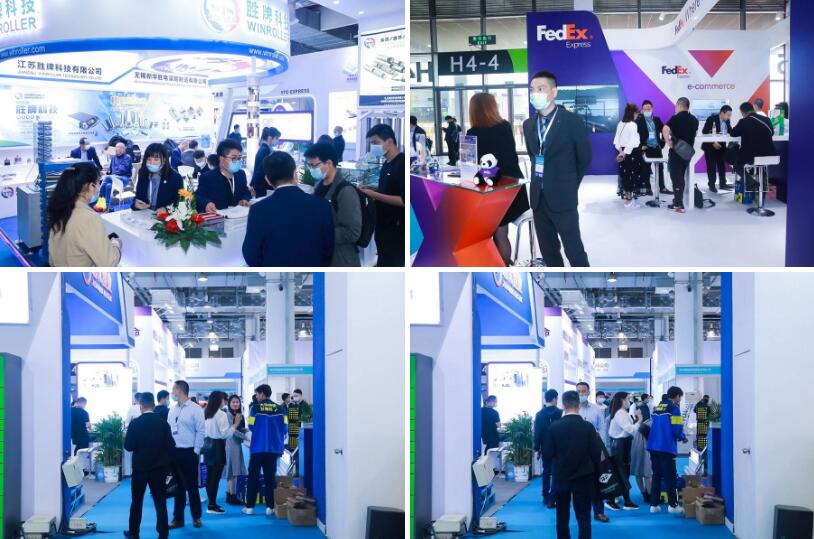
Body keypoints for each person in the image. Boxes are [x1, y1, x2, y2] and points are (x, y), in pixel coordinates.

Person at [522, 70, 592, 268]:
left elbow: (584, 158)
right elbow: (533, 156)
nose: (535, 93)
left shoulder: (572, 121)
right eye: (532, 89)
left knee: (574, 249)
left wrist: (569, 184)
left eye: (540, 89)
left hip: (563, 197)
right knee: (548, 250)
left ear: (554, 92)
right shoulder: (528, 125)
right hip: (538, 198)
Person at [466, 92, 530, 266]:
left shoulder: (473, 133)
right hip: (513, 188)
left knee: (489, 232)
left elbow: (470, 162)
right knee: (501, 234)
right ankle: (503, 265)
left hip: (491, 190)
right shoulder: (505, 126)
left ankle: (499, 266)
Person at [242, 151, 334, 266]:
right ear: (295, 174)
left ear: (268, 180)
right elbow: (329, 247)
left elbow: (251, 254)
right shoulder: (322, 205)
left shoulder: (258, 210)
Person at [544, 390, 602, 539]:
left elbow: (548, 453)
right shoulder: (588, 427)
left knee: (562, 515)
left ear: (563, 405)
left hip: (561, 476)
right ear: (578, 405)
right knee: (583, 515)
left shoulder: (554, 427)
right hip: (584, 476)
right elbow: (596, 453)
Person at [48, 162, 122, 267]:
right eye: (99, 183)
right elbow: (108, 262)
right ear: (91, 186)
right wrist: (116, 244)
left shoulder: (60, 209)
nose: (99, 188)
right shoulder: (89, 218)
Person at [124, 392, 176, 539]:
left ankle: (134, 533)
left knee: (137, 501)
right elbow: (171, 445)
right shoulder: (163, 423)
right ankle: (163, 533)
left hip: (140, 468)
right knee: (160, 501)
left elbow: (128, 446)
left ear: (140, 406)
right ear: (153, 406)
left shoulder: (135, 423)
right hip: (159, 469)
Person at [306, 142, 362, 267]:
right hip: (322, 254)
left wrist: (320, 233)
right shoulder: (319, 186)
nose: (311, 169)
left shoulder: (346, 191)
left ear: (329, 163)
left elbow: (352, 232)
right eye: (309, 165)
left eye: (314, 165)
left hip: (340, 259)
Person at [359, 124, 405, 267]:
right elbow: (388, 189)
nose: (373, 147)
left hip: (396, 229)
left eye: (375, 142)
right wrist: (372, 189)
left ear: (389, 141)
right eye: (371, 143)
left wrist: (374, 194)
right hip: (382, 226)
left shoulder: (402, 164)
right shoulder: (386, 163)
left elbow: (403, 200)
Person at [242, 384, 287, 516]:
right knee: (270, 478)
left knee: (253, 477)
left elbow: (251, 425)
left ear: (262, 393)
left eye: (257, 394)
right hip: (273, 449)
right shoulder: (281, 409)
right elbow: (285, 428)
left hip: (258, 448)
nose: (256, 396)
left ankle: (250, 507)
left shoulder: (255, 408)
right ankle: (270, 507)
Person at [167, 380, 206, 529]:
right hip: (174, 452)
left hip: (189, 452)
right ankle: (178, 519)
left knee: (192, 487)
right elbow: (169, 429)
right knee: (178, 487)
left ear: (180, 390)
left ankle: (196, 517)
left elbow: (201, 431)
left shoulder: (195, 409)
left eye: (173, 389)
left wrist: (196, 451)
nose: (172, 393)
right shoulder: (172, 410)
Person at [647, 386, 687, 513]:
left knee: (656, 475)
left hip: (653, 446)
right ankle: (673, 505)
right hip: (666, 447)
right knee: (670, 477)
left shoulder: (657, 408)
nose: (680, 400)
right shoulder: (674, 408)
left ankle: (654, 505)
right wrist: (683, 437)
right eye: (680, 397)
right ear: (677, 396)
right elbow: (676, 428)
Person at [203, 391, 242, 514]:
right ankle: (212, 505)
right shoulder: (221, 414)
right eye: (224, 399)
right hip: (217, 447)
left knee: (210, 477)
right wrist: (235, 425)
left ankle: (211, 503)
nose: (225, 401)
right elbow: (225, 434)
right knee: (215, 478)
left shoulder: (207, 412)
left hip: (207, 446)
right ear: (219, 400)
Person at [575, 382, 609, 523]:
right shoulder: (571, 409)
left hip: (593, 452)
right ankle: (581, 513)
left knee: (596, 482)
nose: (581, 394)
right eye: (579, 391)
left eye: (584, 391)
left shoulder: (595, 410)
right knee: (578, 484)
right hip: (576, 453)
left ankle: (599, 512)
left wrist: (601, 448)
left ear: (589, 392)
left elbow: (602, 429)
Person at [662, 97, 699, 213]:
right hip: (687, 153)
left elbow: (665, 128)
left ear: (679, 105)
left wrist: (667, 141)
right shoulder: (694, 119)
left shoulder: (676, 118)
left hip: (676, 152)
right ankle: (678, 200)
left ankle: (678, 204)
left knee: (676, 177)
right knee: (681, 177)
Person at [606, 392, 640, 510]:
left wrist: (635, 421)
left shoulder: (621, 412)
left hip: (622, 445)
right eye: (627, 398)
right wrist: (639, 421)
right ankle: (612, 500)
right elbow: (630, 429)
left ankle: (626, 501)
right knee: (620, 474)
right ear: (622, 400)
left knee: (623, 474)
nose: (628, 401)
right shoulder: (620, 413)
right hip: (619, 446)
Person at [195, 138, 251, 212]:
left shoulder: (241, 174)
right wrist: (206, 203)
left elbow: (245, 191)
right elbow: (198, 197)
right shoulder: (207, 177)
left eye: (239, 158)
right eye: (234, 158)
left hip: (239, 216)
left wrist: (244, 199)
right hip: (219, 216)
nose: (237, 161)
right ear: (221, 159)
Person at [731, 102, 776, 188]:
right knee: (762, 165)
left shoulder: (743, 121)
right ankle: (763, 185)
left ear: (743, 112)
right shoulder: (766, 119)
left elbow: (733, 133)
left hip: (751, 156)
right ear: (752, 109)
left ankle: (751, 182)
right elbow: (772, 133)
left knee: (736, 165)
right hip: (770, 154)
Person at [132, 143, 183, 213]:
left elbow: (180, 202)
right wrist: (135, 204)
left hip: (164, 217)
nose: (152, 163)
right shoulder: (143, 173)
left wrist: (167, 209)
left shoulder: (175, 177)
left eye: (156, 160)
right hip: (144, 213)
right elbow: (138, 197)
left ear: (164, 160)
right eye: (149, 159)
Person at [534, 389, 562, 508]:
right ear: (555, 398)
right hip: (559, 447)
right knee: (556, 473)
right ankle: (553, 498)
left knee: (546, 472)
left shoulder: (539, 414)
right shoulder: (560, 413)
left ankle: (545, 496)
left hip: (545, 447)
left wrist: (537, 448)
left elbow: (537, 433)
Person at [636, 100, 670, 195]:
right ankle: (648, 188)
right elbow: (634, 136)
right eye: (645, 109)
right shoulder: (638, 122)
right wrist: (640, 146)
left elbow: (664, 130)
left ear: (652, 109)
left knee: (660, 168)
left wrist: (663, 142)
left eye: (649, 109)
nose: (647, 111)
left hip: (656, 148)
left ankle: (662, 188)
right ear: (642, 110)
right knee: (645, 170)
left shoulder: (657, 120)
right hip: (646, 149)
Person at [614, 104, 644, 207]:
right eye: (636, 113)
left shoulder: (620, 123)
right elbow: (632, 141)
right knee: (632, 175)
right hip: (632, 153)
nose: (637, 115)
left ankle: (627, 198)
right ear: (633, 113)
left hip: (623, 152)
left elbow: (616, 140)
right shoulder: (633, 125)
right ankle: (629, 200)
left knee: (625, 175)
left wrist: (621, 151)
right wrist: (624, 152)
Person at [701, 105, 734, 192]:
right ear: (722, 113)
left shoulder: (727, 121)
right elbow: (704, 131)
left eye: (730, 115)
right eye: (728, 115)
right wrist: (713, 142)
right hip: (710, 146)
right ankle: (711, 185)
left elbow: (730, 131)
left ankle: (723, 184)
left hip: (721, 146)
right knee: (711, 166)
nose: (729, 117)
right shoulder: (711, 119)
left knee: (721, 165)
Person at [225, 395, 248, 505]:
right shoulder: (229, 415)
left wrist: (243, 429)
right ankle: (233, 496)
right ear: (229, 403)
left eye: (237, 402)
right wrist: (245, 437)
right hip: (231, 444)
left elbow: (237, 428)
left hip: (235, 444)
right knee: (233, 471)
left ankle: (229, 494)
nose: (235, 404)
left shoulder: (237, 415)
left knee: (232, 470)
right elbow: (232, 430)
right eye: (233, 402)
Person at [96, 142, 133, 211]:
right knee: (108, 185)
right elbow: (110, 170)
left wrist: (112, 175)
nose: (117, 149)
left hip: (124, 178)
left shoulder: (127, 157)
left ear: (123, 149)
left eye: (120, 147)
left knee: (107, 178)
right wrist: (106, 172)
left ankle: (100, 203)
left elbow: (123, 170)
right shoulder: (113, 158)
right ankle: (108, 206)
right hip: (114, 178)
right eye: (116, 147)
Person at [630, 404, 652, 504]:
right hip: (644, 447)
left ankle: (644, 493)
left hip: (634, 447)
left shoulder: (636, 422)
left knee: (638, 472)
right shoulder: (649, 423)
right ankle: (650, 495)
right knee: (647, 472)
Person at [251, 126, 281, 198]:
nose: (278, 141)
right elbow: (262, 170)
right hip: (262, 184)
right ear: (270, 138)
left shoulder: (264, 148)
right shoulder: (265, 150)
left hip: (260, 183)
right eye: (277, 138)